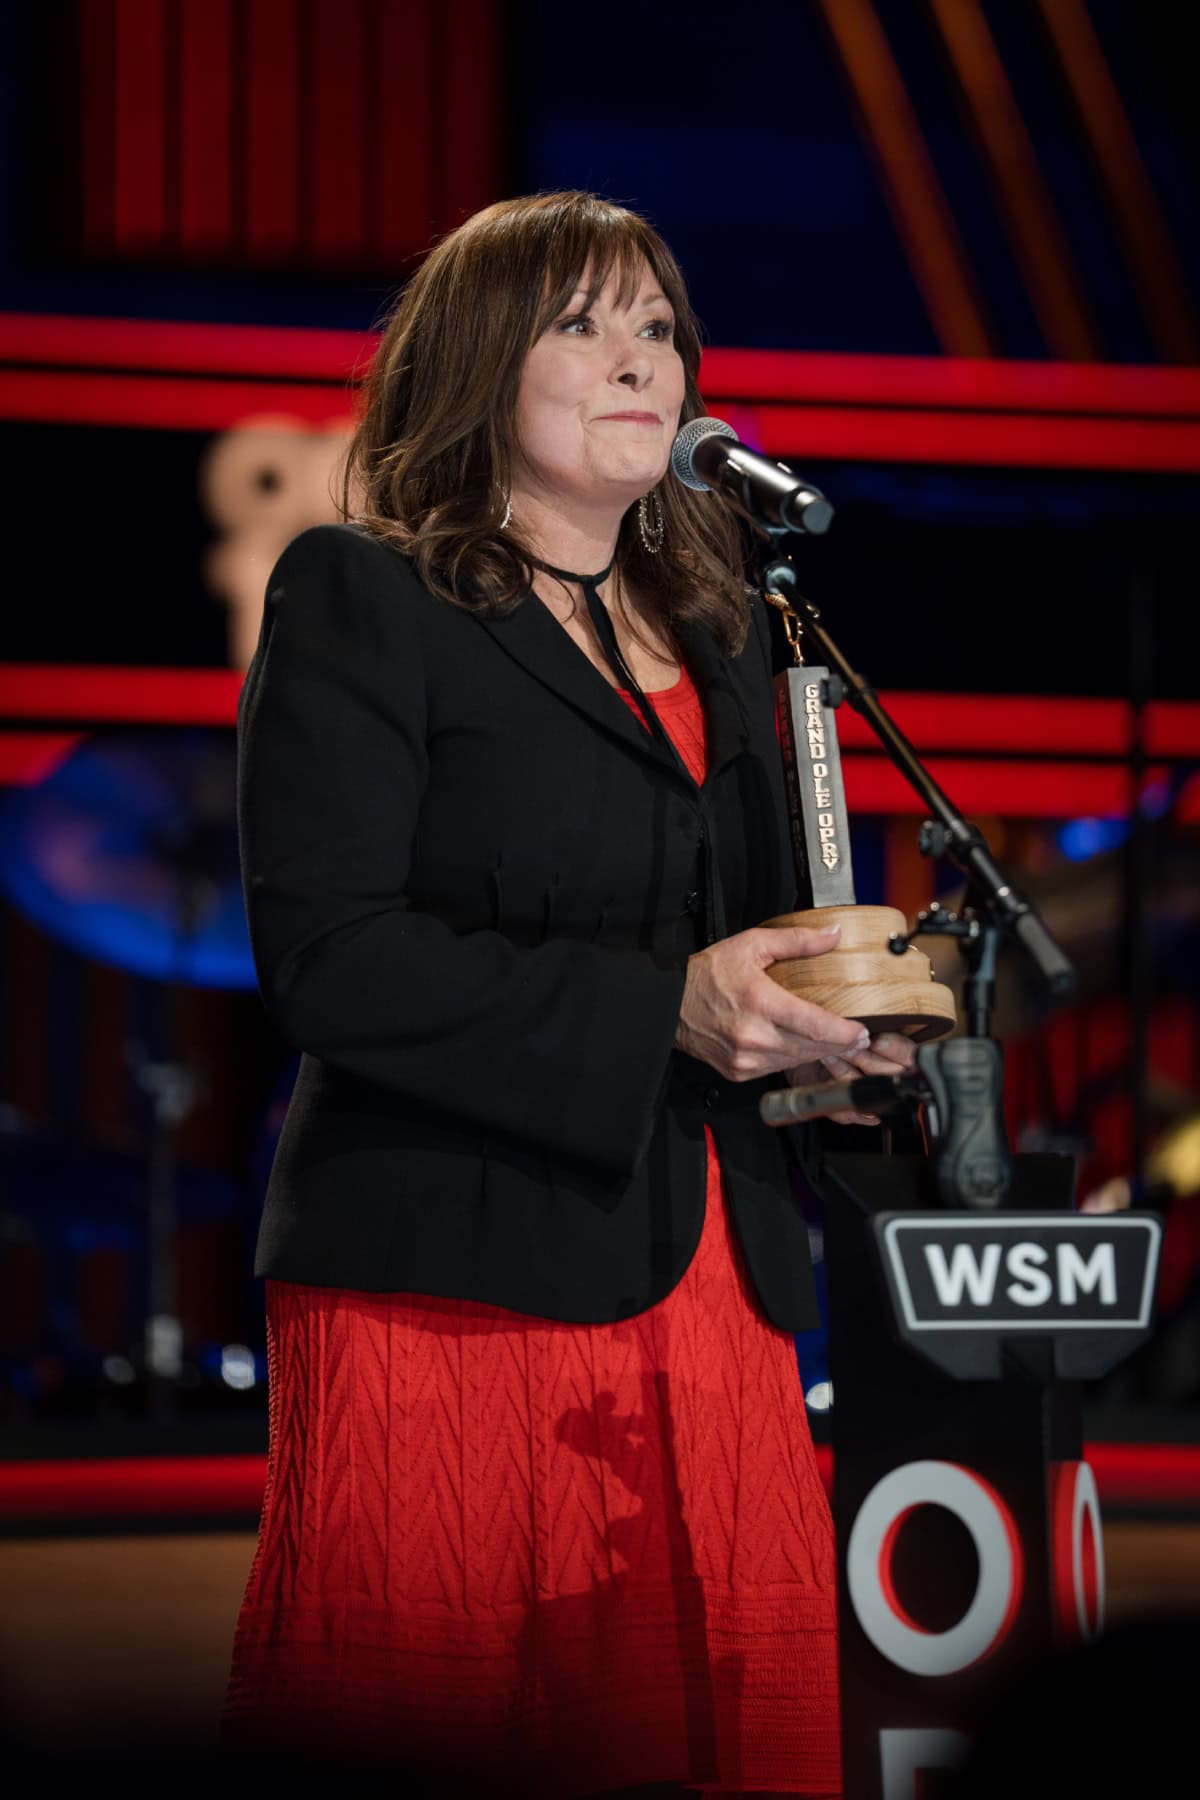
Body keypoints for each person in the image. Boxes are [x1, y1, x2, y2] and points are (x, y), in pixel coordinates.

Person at [223, 190, 915, 1798]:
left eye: (658, 327)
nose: (639, 362)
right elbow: (329, 959)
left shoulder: (731, 623)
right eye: (583, 326)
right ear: (477, 368)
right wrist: (660, 1010)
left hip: (714, 1288)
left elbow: (763, 950)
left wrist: (843, 1044)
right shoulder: (364, 595)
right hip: (450, 1287)